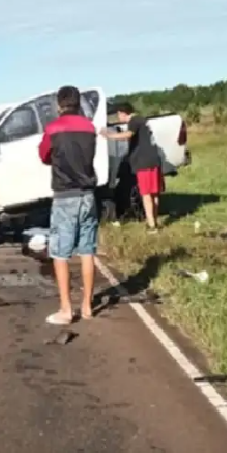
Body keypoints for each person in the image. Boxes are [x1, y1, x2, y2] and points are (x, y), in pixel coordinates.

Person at [38, 85, 98, 325]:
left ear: (59, 104)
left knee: (60, 253)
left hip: (65, 196)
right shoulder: (89, 127)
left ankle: (66, 309)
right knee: (87, 251)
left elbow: (44, 156)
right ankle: (87, 306)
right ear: (79, 102)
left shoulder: (53, 129)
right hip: (88, 195)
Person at [99, 102, 164, 232]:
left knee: (146, 194)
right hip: (153, 160)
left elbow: (128, 134)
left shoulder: (134, 121)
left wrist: (109, 135)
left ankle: (151, 225)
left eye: (118, 115)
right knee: (154, 193)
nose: (118, 118)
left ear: (123, 113)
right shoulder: (143, 120)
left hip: (143, 162)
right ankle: (154, 220)